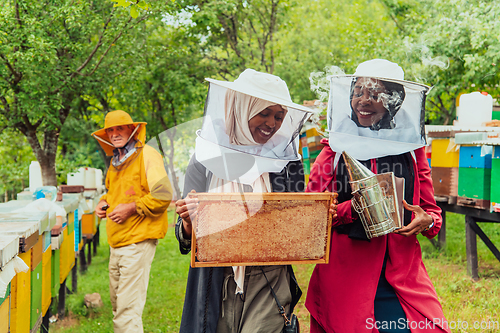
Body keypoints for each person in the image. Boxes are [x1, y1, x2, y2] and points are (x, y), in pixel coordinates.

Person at [305, 60, 451, 332]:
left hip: (403, 274)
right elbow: (310, 216)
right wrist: (357, 206)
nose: (363, 100)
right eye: (358, 92)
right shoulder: (333, 150)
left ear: (393, 101)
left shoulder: (411, 150)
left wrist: (427, 221)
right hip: (347, 276)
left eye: (374, 94)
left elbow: (432, 213)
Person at [175, 69, 314, 333]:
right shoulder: (204, 158)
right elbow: (184, 240)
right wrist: (188, 221)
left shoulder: (286, 163)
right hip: (215, 280)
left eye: (279, 116)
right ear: (241, 107)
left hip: (270, 277)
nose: (271, 123)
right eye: (264, 113)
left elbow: (293, 224)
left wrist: (312, 216)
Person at [92, 110, 172, 333]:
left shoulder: (147, 155)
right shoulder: (116, 160)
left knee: (127, 312)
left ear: (132, 130)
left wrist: (131, 208)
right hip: (117, 243)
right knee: (120, 307)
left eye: (120, 128)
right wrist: (102, 202)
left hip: (138, 242)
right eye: (110, 130)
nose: (115, 133)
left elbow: (163, 194)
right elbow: (114, 192)